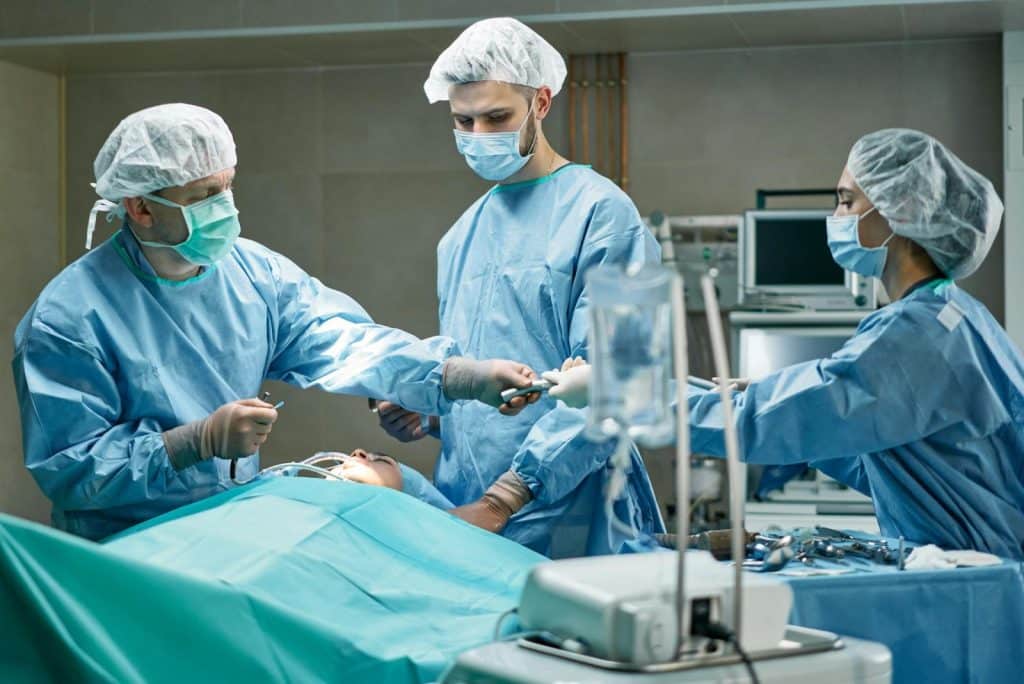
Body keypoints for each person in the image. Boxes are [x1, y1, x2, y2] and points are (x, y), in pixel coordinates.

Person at [12, 103, 538, 541]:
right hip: (130, 552)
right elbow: (73, 471)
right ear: (140, 208)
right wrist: (191, 443)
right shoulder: (70, 318)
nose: (224, 208)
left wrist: (457, 376)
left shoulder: (252, 273)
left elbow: (343, 341)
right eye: (202, 197)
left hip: (231, 533)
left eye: (226, 188)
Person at [546, 129, 1024, 560]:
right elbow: (892, 463)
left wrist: (616, 392)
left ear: (901, 213)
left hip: (979, 574)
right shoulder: (951, 316)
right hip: (978, 564)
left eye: (846, 201)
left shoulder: (918, 335)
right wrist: (782, 408)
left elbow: (765, 421)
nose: (835, 217)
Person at [373, 18, 663, 558]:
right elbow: (497, 393)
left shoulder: (602, 215)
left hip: (571, 508)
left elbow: (618, 382)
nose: (480, 137)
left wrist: (507, 496)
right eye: (464, 121)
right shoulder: (460, 236)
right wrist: (433, 414)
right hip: (467, 504)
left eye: (497, 117)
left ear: (542, 104)